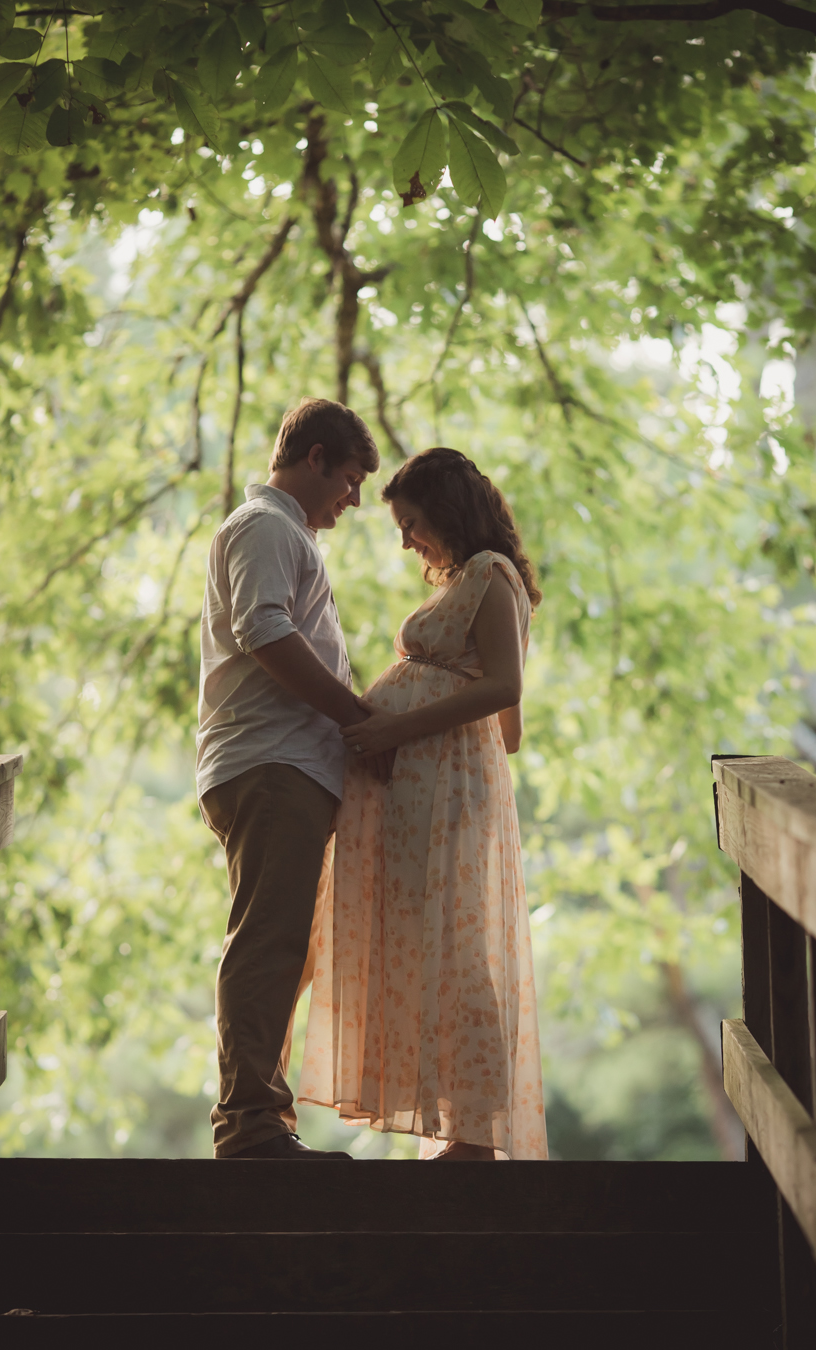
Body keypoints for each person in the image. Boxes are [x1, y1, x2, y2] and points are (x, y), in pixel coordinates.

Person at [300, 447, 548, 1161]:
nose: (406, 540)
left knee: (462, 948)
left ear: (446, 510)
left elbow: (506, 695)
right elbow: (507, 729)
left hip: (446, 790)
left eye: (411, 523)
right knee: (429, 944)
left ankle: (476, 1132)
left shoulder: (489, 576)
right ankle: (453, 1118)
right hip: (424, 788)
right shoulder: (464, 583)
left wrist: (398, 727)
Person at [197, 396, 380, 1159]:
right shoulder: (267, 528)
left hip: (286, 766)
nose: (354, 499)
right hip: (272, 764)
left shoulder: (282, 533)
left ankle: (262, 1118)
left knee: (286, 944)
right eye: (348, 479)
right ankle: (248, 1126)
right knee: (269, 939)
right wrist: (358, 719)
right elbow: (263, 628)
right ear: (314, 460)